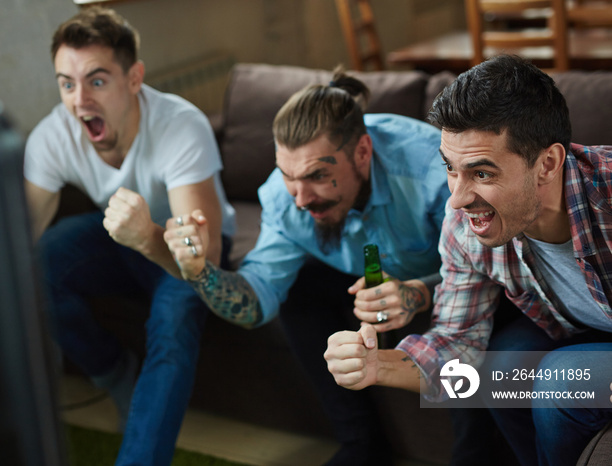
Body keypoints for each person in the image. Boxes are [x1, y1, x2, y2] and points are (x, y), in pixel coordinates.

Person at [324, 54, 612, 466]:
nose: (457, 197)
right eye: (450, 169)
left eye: (481, 174)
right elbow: (456, 349)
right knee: (499, 369)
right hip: (584, 335)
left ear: (547, 163)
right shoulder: (464, 226)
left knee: (562, 380)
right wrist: (377, 366)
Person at [164, 68, 451, 465]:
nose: (300, 198)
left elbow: (488, 268)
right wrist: (199, 271)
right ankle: (361, 445)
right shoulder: (286, 202)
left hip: (450, 282)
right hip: (362, 276)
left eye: (318, 175)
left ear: (362, 153)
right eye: (288, 176)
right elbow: (254, 305)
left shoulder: (433, 173)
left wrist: (418, 292)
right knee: (298, 288)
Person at [23, 7, 235, 466]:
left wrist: (146, 238)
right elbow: (16, 243)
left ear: (134, 78)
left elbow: (205, 259)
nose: (80, 101)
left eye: (97, 81)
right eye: (66, 83)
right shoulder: (52, 137)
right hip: (121, 241)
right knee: (37, 265)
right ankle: (115, 374)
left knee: (173, 327)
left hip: (190, 253)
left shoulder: (181, 126)